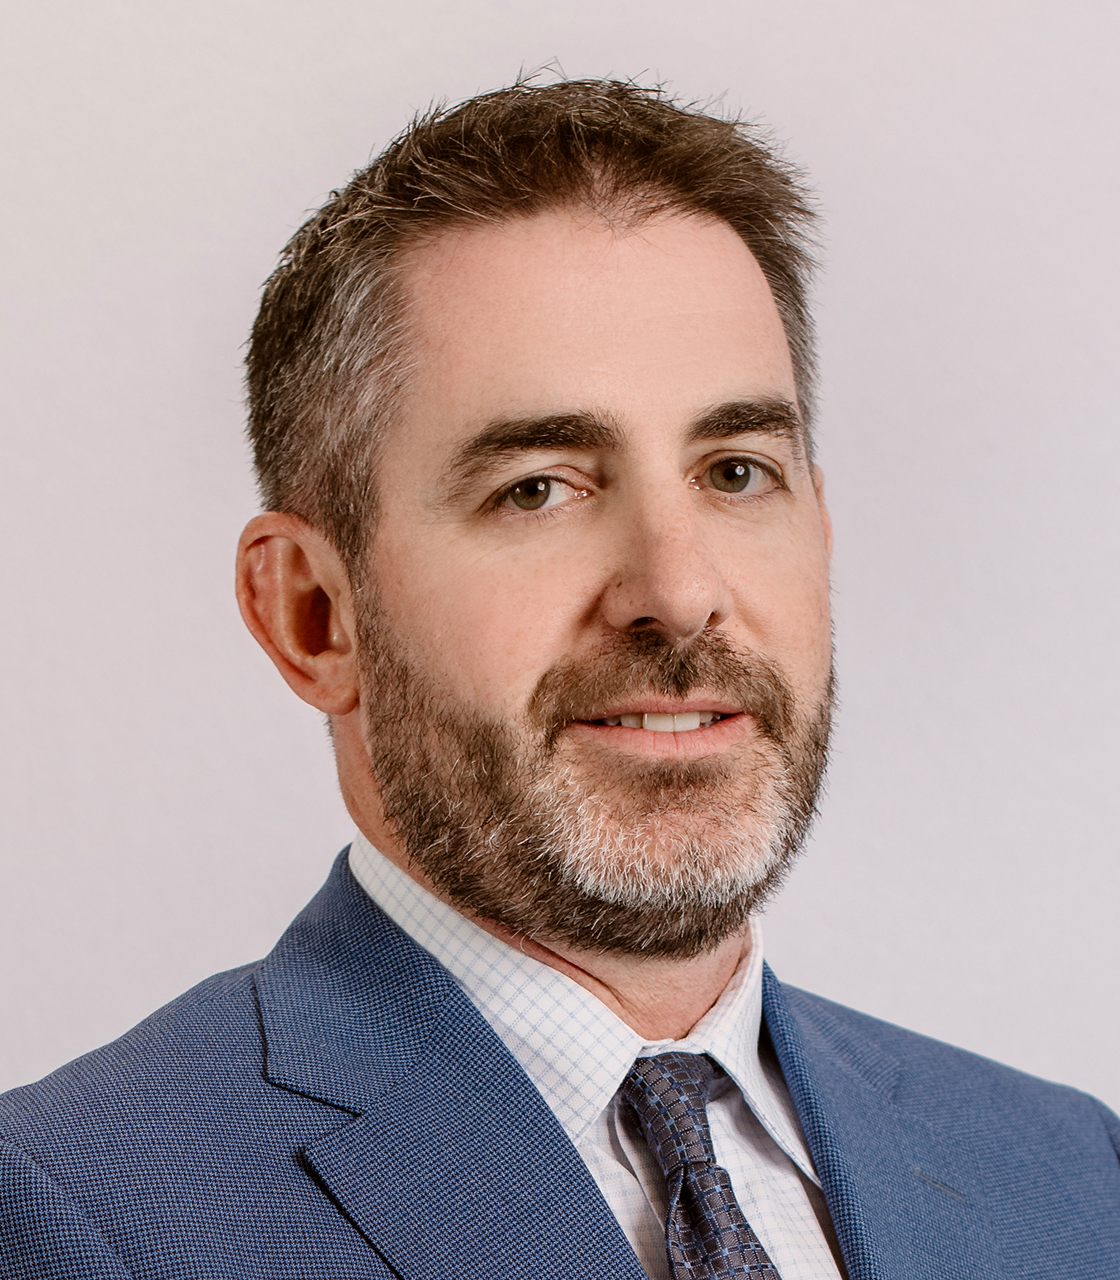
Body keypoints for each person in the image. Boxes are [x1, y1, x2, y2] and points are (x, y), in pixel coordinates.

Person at [1, 78, 1116, 1280]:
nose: (678, 589)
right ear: (312, 614)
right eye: (538, 485)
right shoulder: (79, 1212)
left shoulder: (1069, 1173)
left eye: (736, 471)